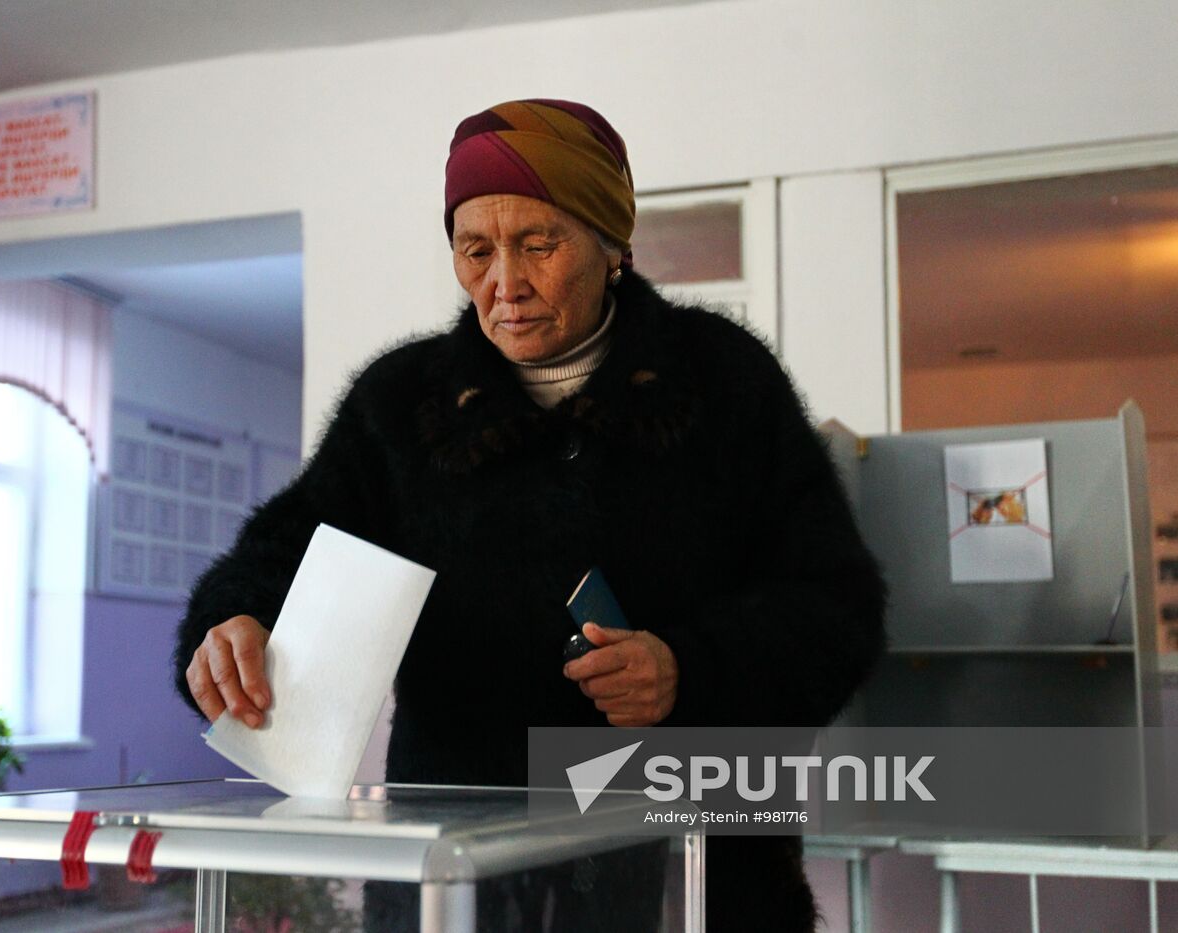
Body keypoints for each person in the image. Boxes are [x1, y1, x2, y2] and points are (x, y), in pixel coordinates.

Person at [174, 98, 886, 931]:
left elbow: (837, 607)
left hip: (695, 873)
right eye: (475, 251)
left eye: (539, 244)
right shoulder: (403, 406)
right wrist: (232, 621)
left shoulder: (726, 382)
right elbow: (283, 550)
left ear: (614, 244)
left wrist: (690, 668)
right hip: (462, 885)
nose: (504, 284)